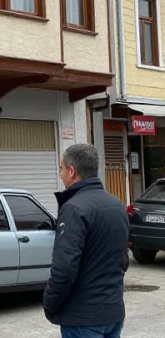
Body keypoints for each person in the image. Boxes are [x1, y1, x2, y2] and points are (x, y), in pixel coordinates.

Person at [43, 144, 130, 338]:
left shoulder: (73, 209)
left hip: (82, 319)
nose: (60, 174)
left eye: (61, 169)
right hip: (113, 312)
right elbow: (123, 261)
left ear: (71, 170)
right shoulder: (117, 206)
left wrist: (49, 303)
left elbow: (64, 269)